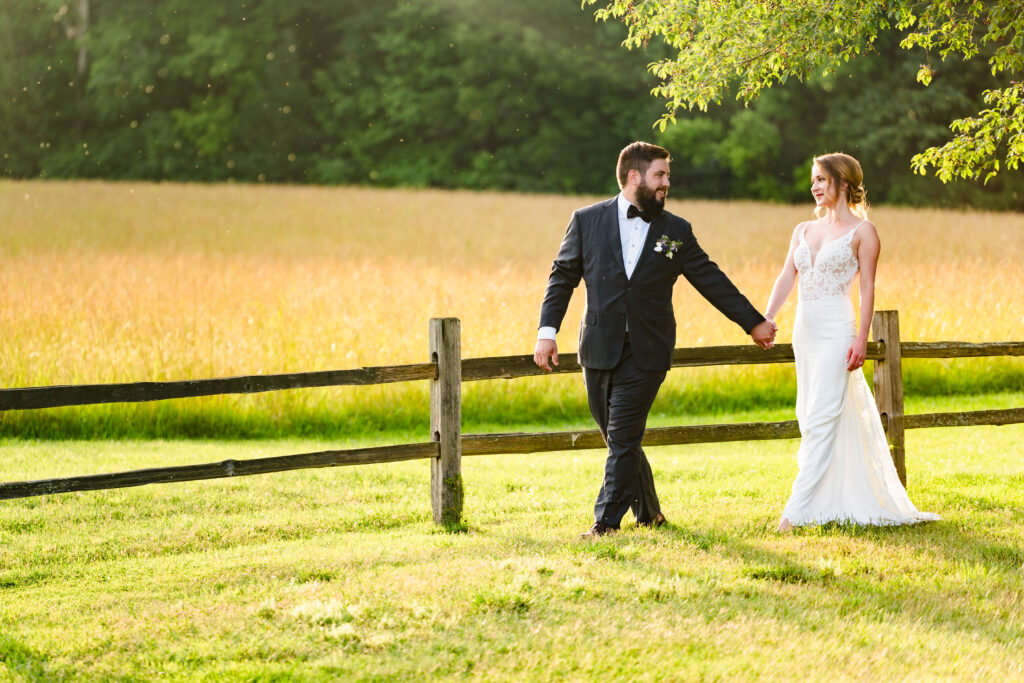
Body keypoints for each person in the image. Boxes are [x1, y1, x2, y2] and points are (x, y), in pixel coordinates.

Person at [534, 141, 777, 538]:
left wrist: (752, 322)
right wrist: (547, 333)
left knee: (624, 434)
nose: (668, 182)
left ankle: (605, 524)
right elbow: (562, 277)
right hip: (598, 346)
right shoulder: (586, 220)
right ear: (635, 176)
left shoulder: (676, 230)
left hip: (648, 350)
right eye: (660, 175)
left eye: (667, 175)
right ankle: (649, 513)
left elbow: (710, 279)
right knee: (618, 439)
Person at [763, 152, 940, 531]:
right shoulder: (802, 230)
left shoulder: (864, 232)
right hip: (805, 331)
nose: (814, 186)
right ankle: (827, 499)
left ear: (843, 183)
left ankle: (794, 512)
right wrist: (768, 315)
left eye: (821, 180)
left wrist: (862, 336)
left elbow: (867, 288)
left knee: (825, 412)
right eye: (813, 180)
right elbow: (786, 278)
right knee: (808, 415)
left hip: (837, 330)